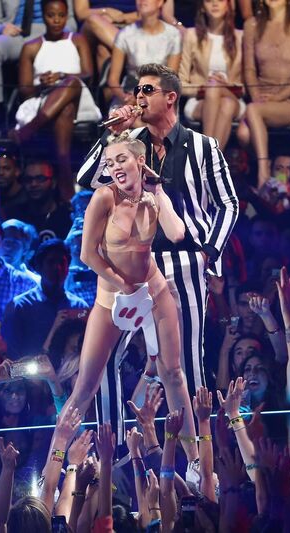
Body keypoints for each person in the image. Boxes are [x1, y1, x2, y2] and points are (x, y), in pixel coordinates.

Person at [77, 64, 238, 451]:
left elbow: (228, 204)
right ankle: (110, 453)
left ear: (170, 97)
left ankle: (200, 459)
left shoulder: (203, 146)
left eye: (147, 89)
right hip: (130, 266)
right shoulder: (127, 144)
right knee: (106, 360)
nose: (138, 97)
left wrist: (207, 255)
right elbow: (86, 179)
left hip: (184, 261)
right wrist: (111, 135)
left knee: (184, 363)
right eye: (136, 90)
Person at [66, 134, 200, 462]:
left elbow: (177, 233)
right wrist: (123, 284)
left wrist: (159, 193)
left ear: (140, 161)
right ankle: (54, 464)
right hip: (113, 295)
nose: (115, 168)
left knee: (174, 373)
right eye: (109, 163)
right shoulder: (103, 198)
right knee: (86, 386)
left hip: (153, 287)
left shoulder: (152, 196)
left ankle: (197, 462)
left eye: (121, 160)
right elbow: (88, 254)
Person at [12, 0, 101, 201]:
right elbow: (25, 90)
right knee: (66, 108)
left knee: (72, 83)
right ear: (43, 16)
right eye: (51, 15)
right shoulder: (31, 47)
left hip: (80, 98)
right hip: (44, 100)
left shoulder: (77, 39)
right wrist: (42, 84)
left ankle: (28, 130)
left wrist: (62, 76)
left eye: (61, 15)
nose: (56, 20)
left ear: (67, 15)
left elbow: (88, 74)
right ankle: (64, 167)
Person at [237, 0, 290, 186]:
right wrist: (256, 95)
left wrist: (277, 97)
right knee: (242, 134)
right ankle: (271, 166)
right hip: (261, 96)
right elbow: (249, 69)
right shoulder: (252, 25)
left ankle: (263, 174)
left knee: (253, 112)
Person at [1, 238, 89, 359]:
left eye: (62, 263)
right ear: (39, 267)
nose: (57, 268)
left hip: (68, 374)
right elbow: (11, 357)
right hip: (29, 375)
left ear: (68, 268)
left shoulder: (79, 306)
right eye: (51, 262)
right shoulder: (20, 306)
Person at [0, 0, 77, 106]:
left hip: (48, 31)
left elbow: (70, 21)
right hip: (15, 33)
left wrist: (60, 33)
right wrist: (1, 28)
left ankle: (53, 105)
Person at [178, 0, 245, 149]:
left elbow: (247, 86)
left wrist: (224, 86)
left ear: (229, 5)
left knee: (222, 96)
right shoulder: (191, 35)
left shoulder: (241, 37)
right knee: (224, 103)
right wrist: (207, 88)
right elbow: (181, 84)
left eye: (220, 0)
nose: (215, 4)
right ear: (202, 6)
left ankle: (205, 153)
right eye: (209, 1)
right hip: (199, 100)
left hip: (233, 97)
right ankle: (213, 160)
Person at [106, 0, 182, 107]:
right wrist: (125, 97)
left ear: (160, 2)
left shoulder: (173, 35)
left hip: (160, 95)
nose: (142, 1)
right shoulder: (125, 35)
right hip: (130, 95)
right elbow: (113, 80)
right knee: (126, 116)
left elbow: (171, 78)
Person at [6, 160, 74, 241]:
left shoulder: (67, 217)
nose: (34, 184)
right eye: (28, 179)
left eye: (40, 178)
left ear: (53, 182)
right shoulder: (15, 216)